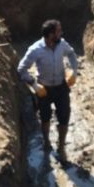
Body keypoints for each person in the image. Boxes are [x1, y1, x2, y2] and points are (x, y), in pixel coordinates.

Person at [17, 19, 78, 162]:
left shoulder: (62, 44)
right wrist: (34, 85)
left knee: (64, 117)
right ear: (51, 35)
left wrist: (74, 71)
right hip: (44, 89)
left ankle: (61, 147)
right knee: (45, 117)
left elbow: (71, 53)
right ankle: (46, 141)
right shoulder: (35, 50)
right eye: (58, 31)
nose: (61, 33)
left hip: (61, 87)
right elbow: (21, 69)